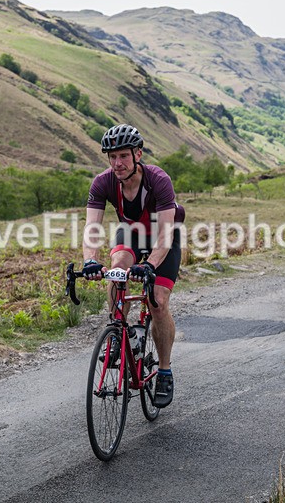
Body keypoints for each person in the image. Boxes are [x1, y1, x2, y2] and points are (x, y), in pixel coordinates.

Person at [82, 124, 185, 408]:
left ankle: (164, 370)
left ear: (138, 154)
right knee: (117, 268)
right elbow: (92, 228)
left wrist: (150, 265)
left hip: (162, 237)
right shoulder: (102, 183)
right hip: (130, 234)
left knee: (158, 301)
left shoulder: (158, 180)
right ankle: (118, 331)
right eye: (112, 157)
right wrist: (90, 260)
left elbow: (165, 235)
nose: (118, 163)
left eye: (124, 156)